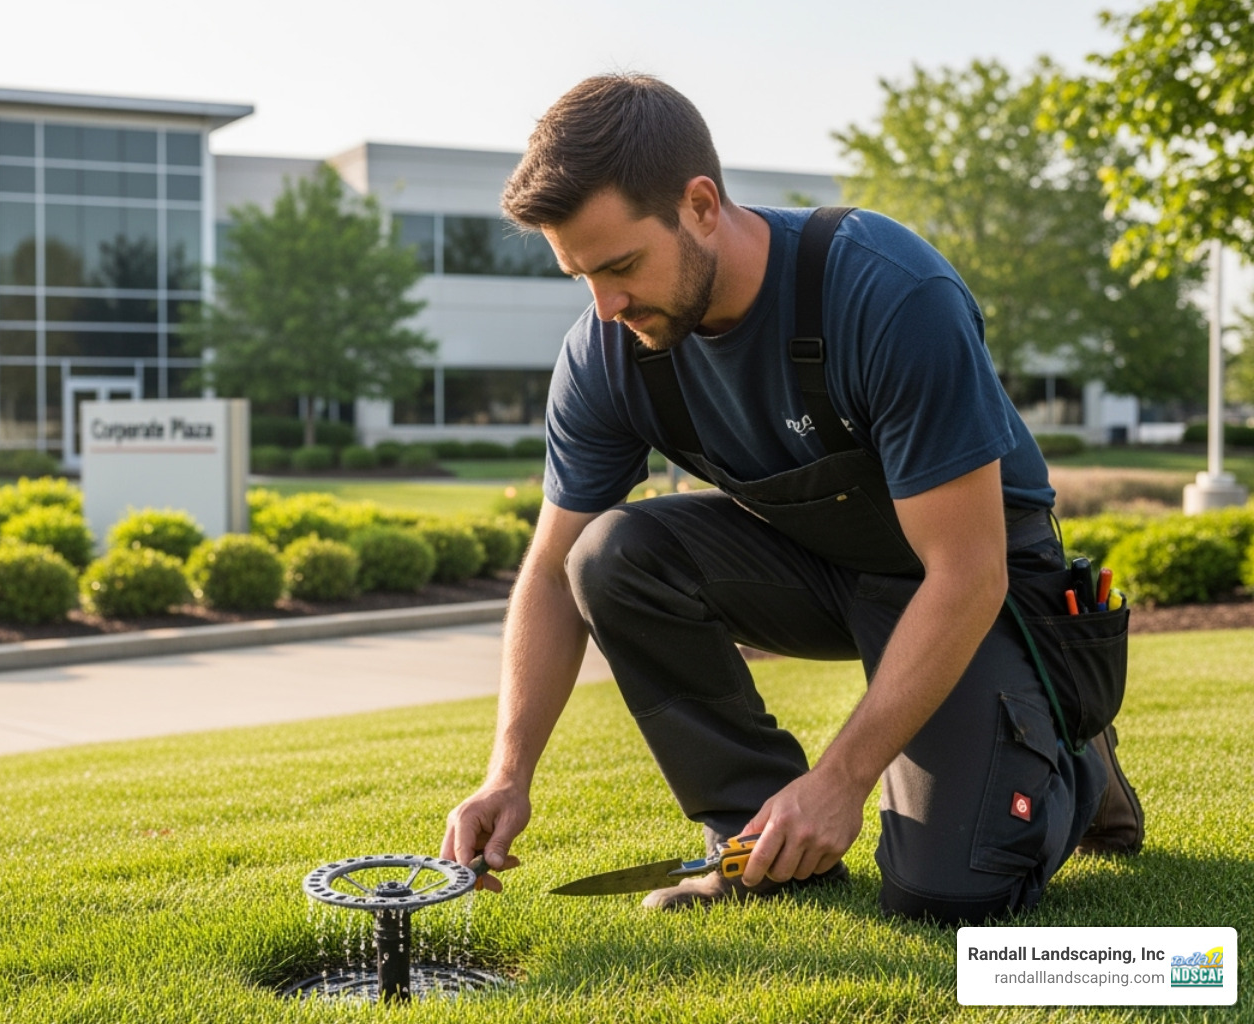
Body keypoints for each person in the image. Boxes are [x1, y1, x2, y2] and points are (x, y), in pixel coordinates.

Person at [440, 73, 1143, 925]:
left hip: (971, 581)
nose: (607, 305)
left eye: (622, 265)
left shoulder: (887, 293)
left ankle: (1074, 749)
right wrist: (507, 774)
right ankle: (756, 842)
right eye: (580, 276)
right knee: (609, 556)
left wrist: (841, 781)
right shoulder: (608, 348)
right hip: (817, 569)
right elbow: (553, 577)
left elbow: (966, 573)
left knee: (944, 892)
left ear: (701, 205)